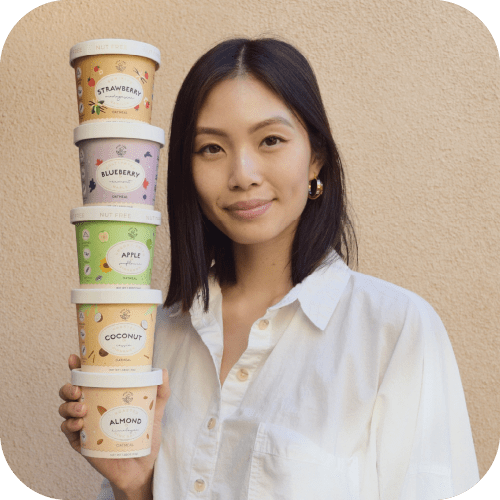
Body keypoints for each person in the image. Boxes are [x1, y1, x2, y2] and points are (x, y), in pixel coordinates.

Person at [59, 37, 480, 500]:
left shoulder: (397, 331)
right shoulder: (152, 335)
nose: (243, 174)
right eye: (211, 149)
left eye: (271, 141)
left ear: (316, 156)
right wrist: (133, 484)